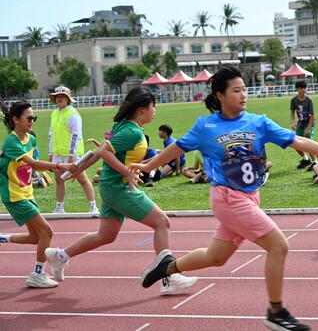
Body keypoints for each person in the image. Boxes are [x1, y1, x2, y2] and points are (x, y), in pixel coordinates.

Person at [128, 65, 318, 331]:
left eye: (244, 89)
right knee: (278, 246)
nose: (243, 95)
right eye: (236, 90)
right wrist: (148, 166)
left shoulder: (258, 122)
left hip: (250, 197)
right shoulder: (206, 126)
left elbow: (297, 141)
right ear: (220, 95)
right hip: (227, 198)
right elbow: (178, 147)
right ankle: (276, 312)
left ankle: (168, 266)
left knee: (217, 257)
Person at [44, 86, 197, 295]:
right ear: (142, 109)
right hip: (118, 187)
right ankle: (168, 277)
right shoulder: (131, 131)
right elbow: (105, 152)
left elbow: (100, 151)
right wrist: (127, 171)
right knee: (162, 222)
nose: (155, 111)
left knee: (105, 235)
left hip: (111, 186)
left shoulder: (124, 126)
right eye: (153, 107)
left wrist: (78, 169)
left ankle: (59, 256)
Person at [0, 99, 77, 288]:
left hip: (27, 192)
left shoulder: (31, 139)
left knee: (36, 237)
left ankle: (3, 238)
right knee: (47, 232)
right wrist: (59, 165)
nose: (32, 120)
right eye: (29, 118)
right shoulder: (11, 142)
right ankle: (37, 274)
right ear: (16, 120)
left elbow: (31, 166)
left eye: (34, 117)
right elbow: (33, 164)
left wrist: (38, 178)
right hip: (15, 195)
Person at [48, 86, 98, 214]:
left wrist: (72, 155)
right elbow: (51, 134)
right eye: (57, 96)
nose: (59, 98)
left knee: (82, 179)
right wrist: (50, 153)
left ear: (68, 99)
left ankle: (93, 206)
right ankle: (59, 207)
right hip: (58, 153)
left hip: (72, 154)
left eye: (62, 96)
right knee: (59, 180)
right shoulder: (54, 113)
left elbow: (76, 135)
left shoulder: (73, 114)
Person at [290, 80, 318, 171]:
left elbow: (312, 116)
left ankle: (315, 162)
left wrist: (308, 129)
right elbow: (292, 112)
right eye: (301, 88)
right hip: (300, 125)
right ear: (297, 89)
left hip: (309, 124)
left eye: (304, 88)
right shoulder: (294, 100)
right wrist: (293, 122)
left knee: (308, 142)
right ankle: (306, 159)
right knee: (294, 142)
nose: (303, 90)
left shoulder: (309, 100)